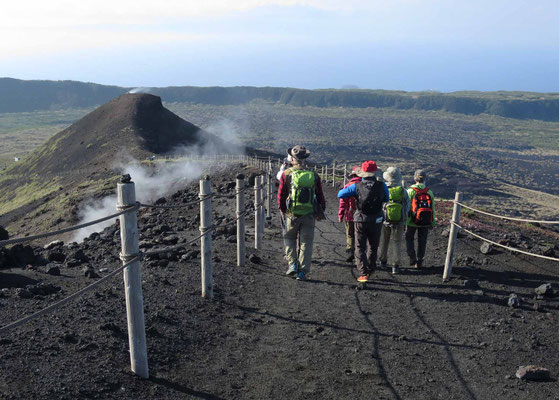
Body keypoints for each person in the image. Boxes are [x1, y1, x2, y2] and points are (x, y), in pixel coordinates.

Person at [278, 145, 326, 281]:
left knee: (289, 238)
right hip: (309, 213)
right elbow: (320, 195)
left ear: (292, 159)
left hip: (291, 213)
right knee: (306, 242)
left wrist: (283, 210)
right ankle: (302, 272)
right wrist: (320, 209)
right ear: (305, 159)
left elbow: (281, 195)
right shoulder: (314, 175)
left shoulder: (286, 174)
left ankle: (292, 264)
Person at [338, 161, 389, 283]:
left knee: (360, 246)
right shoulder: (382, 186)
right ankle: (371, 269)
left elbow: (340, 194)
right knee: (373, 246)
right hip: (377, 219)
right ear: (375, 173)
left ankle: (363, 272)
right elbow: (386, 198)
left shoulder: (357, 186)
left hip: (361, 219)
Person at [378, 167, 410, 274]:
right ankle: (395, 266)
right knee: (397, 242)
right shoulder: (403, 191)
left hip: (385, 220)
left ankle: (382, 261)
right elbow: (407, 207)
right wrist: (404, 220)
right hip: (399, 221)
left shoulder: (382, 189)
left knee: (384, 241)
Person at [405, 169, 436, 269]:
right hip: (425, 222)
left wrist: (404, 220)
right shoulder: (429, 192)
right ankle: (419, 261)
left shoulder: (409, 191)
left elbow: (406, 207)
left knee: (409, 238)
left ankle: (412, 256)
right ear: (425, 179)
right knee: (422, 240)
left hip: (411, 221)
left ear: (415, 179)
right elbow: (433, 209)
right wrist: (432, 222)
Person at [338, 166, 362, 262]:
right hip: (362, 215)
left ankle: (350, 251)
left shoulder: (348, 186)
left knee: (350, 234)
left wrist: (341, 214)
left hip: (350, 214)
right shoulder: (364, 185)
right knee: (360, 234)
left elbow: (343, 202)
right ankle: (359, 253)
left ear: (353, 175)